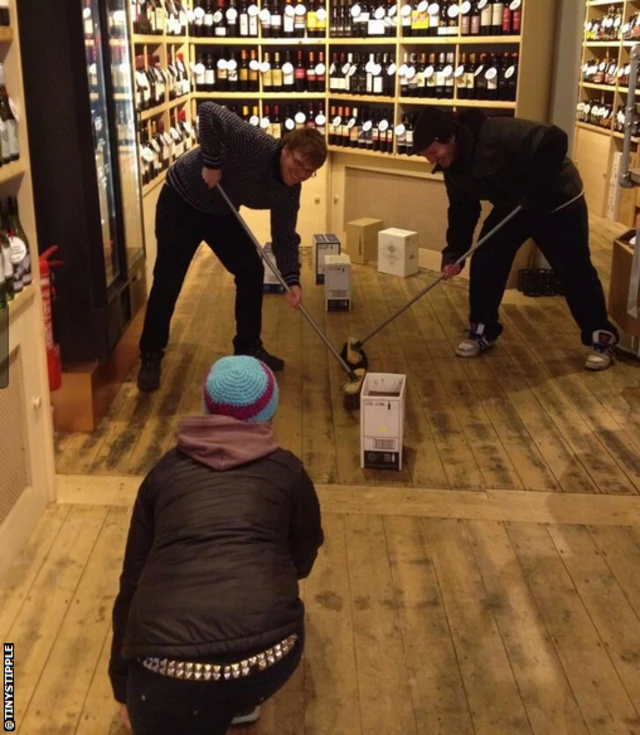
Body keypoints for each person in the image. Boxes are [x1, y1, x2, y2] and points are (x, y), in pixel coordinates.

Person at [109, 355, 324, 734]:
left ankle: (210, 705)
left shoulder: (163, 475)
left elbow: (132, 582)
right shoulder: (289, 473)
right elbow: (301, 561)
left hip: (166, 670)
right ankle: (236, 702)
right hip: (267, 655)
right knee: (228, 687)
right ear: (270, 414)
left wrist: (123, 686)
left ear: (208, 408)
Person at [137, 102, 328, 392]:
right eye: (298, 164)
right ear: (286, 149)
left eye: (309, 171)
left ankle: (248, 346)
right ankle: (150, 353)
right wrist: (212, 162)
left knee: (250, 270)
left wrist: (291, 278)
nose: (301, 173)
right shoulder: (256, 143)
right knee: (168, 279)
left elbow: (285, 235)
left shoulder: (289, 191)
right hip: (181, 201)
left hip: (220, 211)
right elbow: (209, 111)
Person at [412, 107, 619, 371]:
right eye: (426, 156)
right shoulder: (452, 168)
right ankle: (483, 330)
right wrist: (455, 253)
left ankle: (600, 338)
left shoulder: (495, 132)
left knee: (574, 270)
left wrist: (535, 188)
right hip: (514, 205)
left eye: (432, 152)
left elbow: (554, 139)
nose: (431, 160)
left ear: (448, 138)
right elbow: (462, 210)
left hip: (557, 199)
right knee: (486, 259)